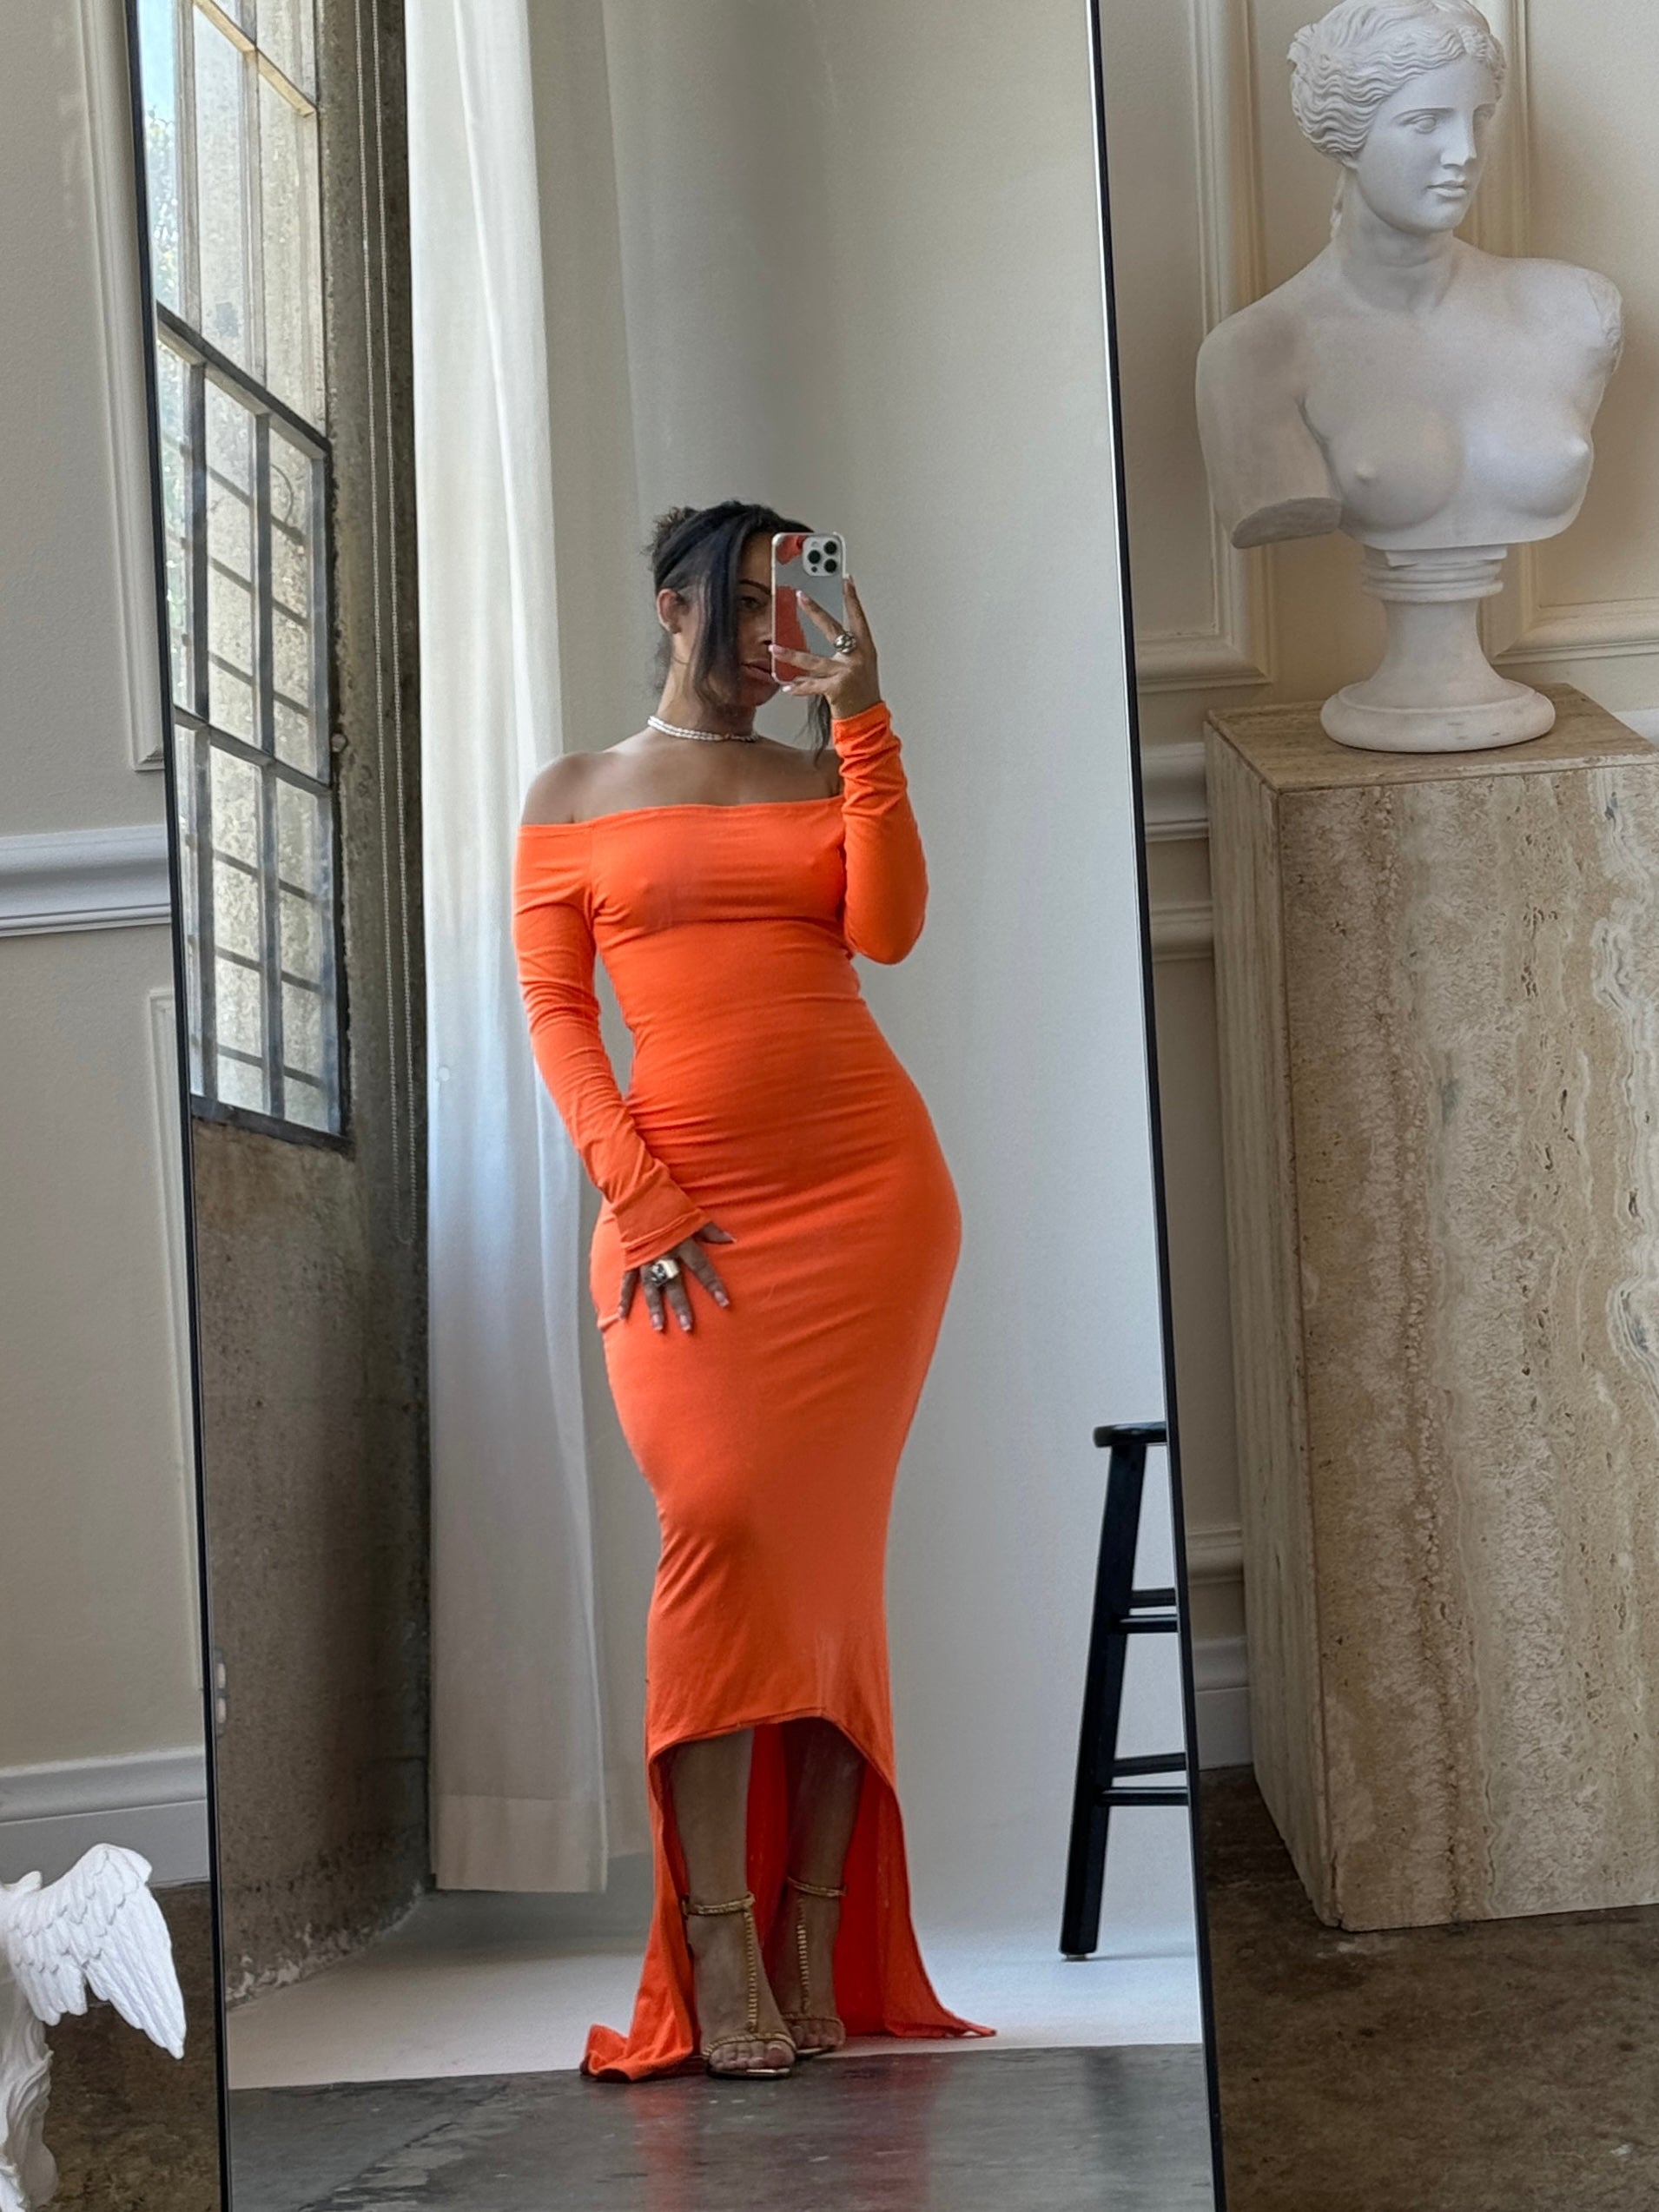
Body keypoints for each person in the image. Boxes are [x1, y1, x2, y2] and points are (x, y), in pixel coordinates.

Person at [512, 500, 986, 2080]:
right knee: (716, 1527)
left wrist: (865, 719)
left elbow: (889, 933)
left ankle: (808, 1930)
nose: (782, 633)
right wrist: (639, 1195)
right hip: (679, 1217)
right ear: (674, 607)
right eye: (754, 601)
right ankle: (715, 1934)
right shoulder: (571, 796)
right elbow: (558, 1017)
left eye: (806, 600)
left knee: (832, 1572)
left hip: (868, 1203)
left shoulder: (824, 770)